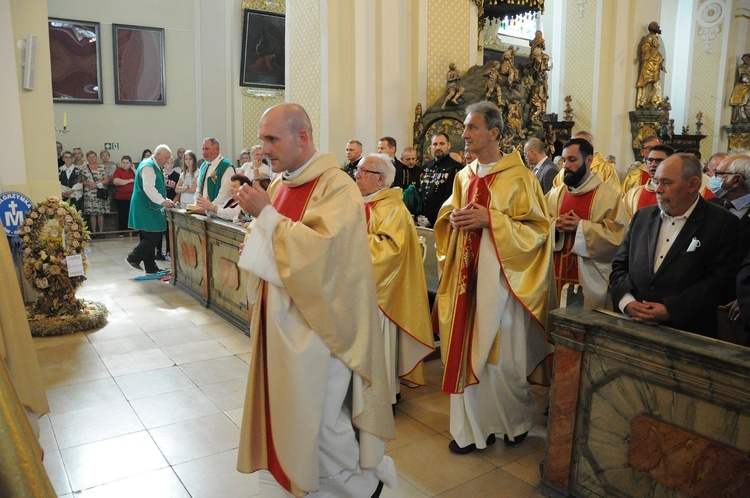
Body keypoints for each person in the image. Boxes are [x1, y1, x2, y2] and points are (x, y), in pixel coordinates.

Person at [235, 103, 396, 497]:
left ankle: (364, 488)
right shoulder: (279, 184)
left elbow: (326, 255)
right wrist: (257, 227)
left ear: (302, 137)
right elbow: (271, 242)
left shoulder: (335, 185)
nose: (265, 148)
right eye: (262, 140)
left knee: (321, 420)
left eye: (272, 139)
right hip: (281, 324)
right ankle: (317, 486)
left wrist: (266, 218)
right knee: (295, 416)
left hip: (321, 327)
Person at [434, 101, 553, 454]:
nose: (464, 135)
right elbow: (448, 215)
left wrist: (493, 221)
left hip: (503, 286)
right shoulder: (464, 175)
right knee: (467, 351)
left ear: (494, 133)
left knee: (502, 363)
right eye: (465, 128)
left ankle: (514, 422)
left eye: (471, 128)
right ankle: (469, 431)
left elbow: (538, 231)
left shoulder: (520, 178)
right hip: (465, 283)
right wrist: (451, 220)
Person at [610, 153, 741, 338]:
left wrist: (671, 310)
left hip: (686, 333)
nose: (658, 189)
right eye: (656, 182)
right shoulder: (642, 217)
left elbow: (721, 282)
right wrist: (627, 302)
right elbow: (619, 266)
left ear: (692, 185)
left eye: (667, 183)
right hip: (633, 326)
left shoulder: (722, 223)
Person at [355, 153, 435, 407]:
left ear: (380, 179)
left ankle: (384, 396)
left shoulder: (392, 208)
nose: (356, 175)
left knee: (378, 347)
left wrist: (349, 240)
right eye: (357, 170)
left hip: (382, 292)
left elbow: (390, 249)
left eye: (363, 171)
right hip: (358, 288)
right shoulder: (363, 202)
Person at [546, 138, 628, 309]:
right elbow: (537, 227)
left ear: (589, 160)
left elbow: (618, 237)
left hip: (590, 278)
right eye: (564, 160)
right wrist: (555, 226)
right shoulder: (555, 194)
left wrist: (581, 227)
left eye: (572, 160)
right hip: (554, 274)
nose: (565, 166)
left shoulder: (608, 196)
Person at [126, 145, 176, 275]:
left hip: (148, 205)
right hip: (145, 206)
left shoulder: (153, 165)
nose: (166, 161)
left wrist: (165, 199)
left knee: (147, 235)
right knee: (153, 236)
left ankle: (150, 267)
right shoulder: (148, 166)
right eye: (165, 158)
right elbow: (149, 188)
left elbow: (157, 187)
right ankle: (133, 257)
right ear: (158, 154)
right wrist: (163, 201)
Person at [551, 131, 621, 193]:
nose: (566, 165)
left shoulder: (605, 169)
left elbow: (614, 196)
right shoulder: (564, 171)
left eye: (572, 159)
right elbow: (554, 197)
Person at [418, 132, 463, 227]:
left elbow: (451, 199)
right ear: (431, 146)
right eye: (435, 144)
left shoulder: (455, 169)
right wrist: (418, 214)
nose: (438, 147)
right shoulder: (426, 167)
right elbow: (420, 192)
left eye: (442, 144)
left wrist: (432, 219)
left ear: (449, 145)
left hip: (442, 221)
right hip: (422, 220)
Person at [622, 144, 675, 218]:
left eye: (658, 161)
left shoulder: (679, 192)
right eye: (650, 160)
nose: (653, 164)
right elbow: (623, 222)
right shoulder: (633, 194)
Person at [194, 137, 236, 214]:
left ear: (217, 149)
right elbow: (199, 188)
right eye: (203, 149)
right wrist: (197, 202)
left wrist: (209, 208)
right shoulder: (204, 165)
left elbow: (225, 193)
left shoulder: (226, 166)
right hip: (202, 210)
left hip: (217, 213)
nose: (204, 152)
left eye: (207, 149)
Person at [636, 21, 666, 109]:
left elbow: (655, 50)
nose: (658, 27)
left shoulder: (655, 38)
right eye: (656, 26)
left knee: (656, 81)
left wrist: (660, 57)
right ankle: (644, 100)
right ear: (652, 28)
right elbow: (645, 47)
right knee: (647, 81)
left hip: (655, 62)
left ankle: (656, 100)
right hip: (649, 63)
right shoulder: (649, 37)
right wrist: (645, 55)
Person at [81, 150, 110, 239]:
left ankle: (101, 231)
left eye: (93, 156)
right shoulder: (84, 168)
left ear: (96, 157)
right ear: (87, 158)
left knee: (100, 213)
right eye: (89, 157)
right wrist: (89, 184)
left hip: (99, 192)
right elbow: (82, 180)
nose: (91, 158)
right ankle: (93, 232)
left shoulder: (101, 167)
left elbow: (106, 179)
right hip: (89, 193)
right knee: (92, 213)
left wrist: (97, 184)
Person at [112, 155, 136, 236]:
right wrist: (130, 180)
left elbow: (140, 178)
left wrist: (133, 169)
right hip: (121, 198)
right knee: (122, 215)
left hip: (132, 197)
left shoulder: (133, 171)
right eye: (123, 163)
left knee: (132, 215)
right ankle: (122, 232)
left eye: (127, 163)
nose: (125, 164)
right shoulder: (118, 171)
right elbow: (116, 181)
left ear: (130, 164)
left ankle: (134, 231)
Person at [730, 54, 750, 123]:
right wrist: (747, 80)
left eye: (746, 58)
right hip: (743, 87)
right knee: (743, 101)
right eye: (744, 59)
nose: (745, 60)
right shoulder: (741, 68)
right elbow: (742, 77)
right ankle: (743, 117)